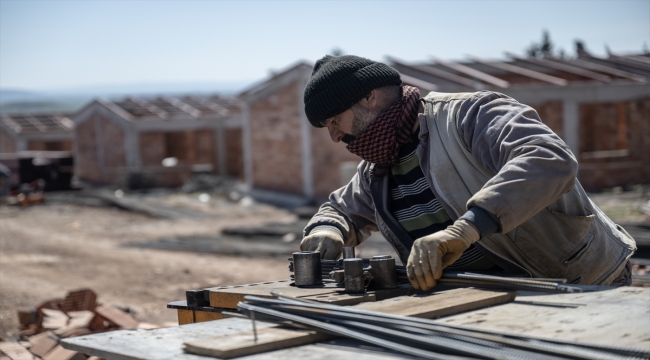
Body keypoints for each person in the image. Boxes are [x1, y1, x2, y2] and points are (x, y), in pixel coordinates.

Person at [299, 55, 636, 290]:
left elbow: (549, 158)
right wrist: (329, 229)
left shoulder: (469, 115)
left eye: (334, 121)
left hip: (581, 285)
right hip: (488, 301)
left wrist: (466, 229)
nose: (334, 136)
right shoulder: (377, 165)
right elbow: (342, 209)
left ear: (369, 98)